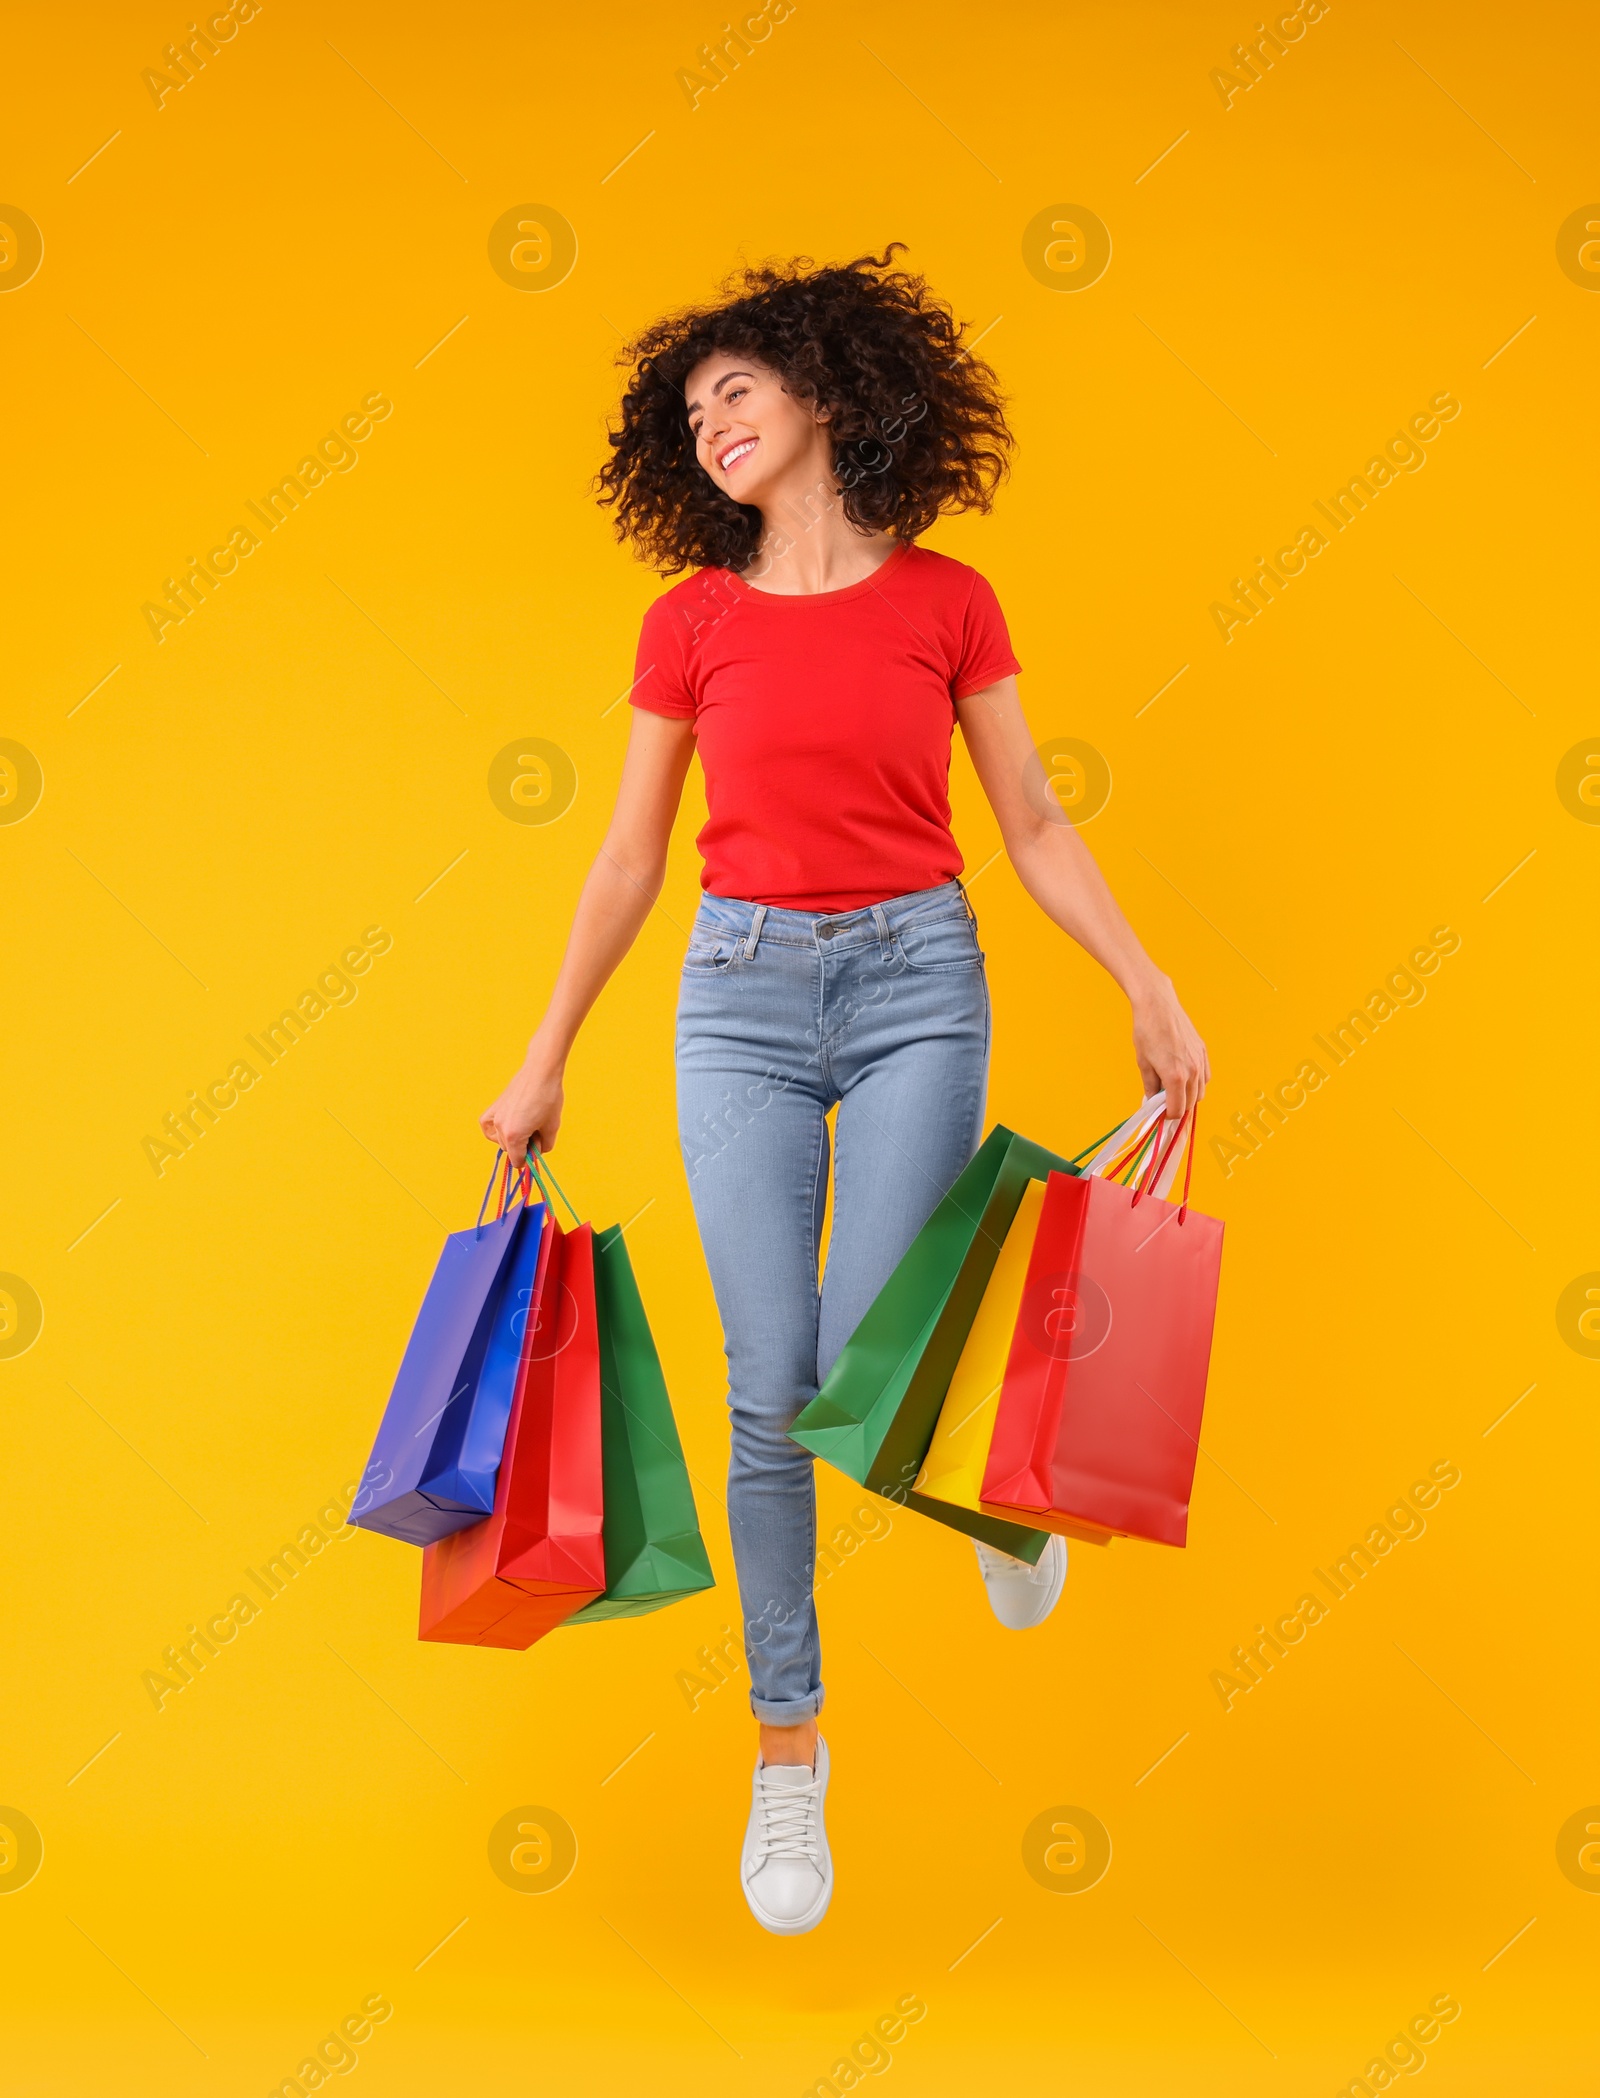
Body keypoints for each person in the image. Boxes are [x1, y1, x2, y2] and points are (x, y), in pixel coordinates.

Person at [481, 246, 1208, 1936]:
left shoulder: (948, 600)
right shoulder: (692, 620)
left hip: (914, 981)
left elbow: (1028, 820)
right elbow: (632, 856)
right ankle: (789, 1750)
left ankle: (989, 1489)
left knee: (888, 1323)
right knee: (771, 1385)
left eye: (737, 387)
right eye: (690, 406)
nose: (711, 417)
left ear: (825, 393)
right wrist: (543, 1052)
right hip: (735, 996)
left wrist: (1146, 979)